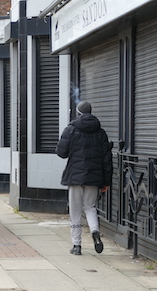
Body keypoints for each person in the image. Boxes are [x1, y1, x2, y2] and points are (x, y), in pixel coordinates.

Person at [56, 101, 113, 256]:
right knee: (90, 207)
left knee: (75, 210)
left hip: (75, 177)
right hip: (94, 178)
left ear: (78, 113)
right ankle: (94, 230)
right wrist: (106, 181)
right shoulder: (101, 132)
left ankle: (77, 245)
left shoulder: (71, 129)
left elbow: (61, 153)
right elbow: (107, 159)